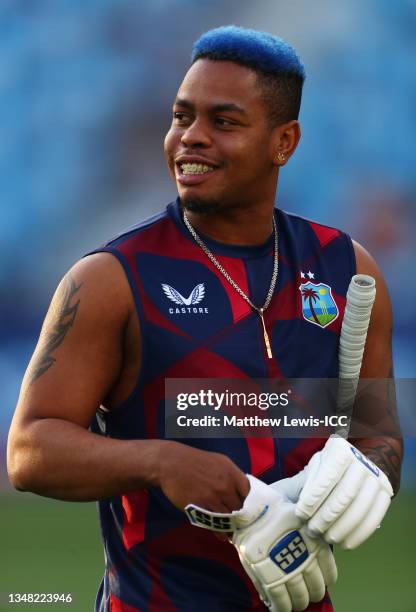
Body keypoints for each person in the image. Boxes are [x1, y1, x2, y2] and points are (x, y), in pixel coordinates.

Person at [7, 26, 402, 611]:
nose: (190, 138)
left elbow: (378, 433)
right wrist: (161, 461)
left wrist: (362, 479)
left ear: (284, 141)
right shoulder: (111, 279)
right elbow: (29, 450)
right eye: (181, 116)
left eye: (224, 121)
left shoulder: (347, 270)